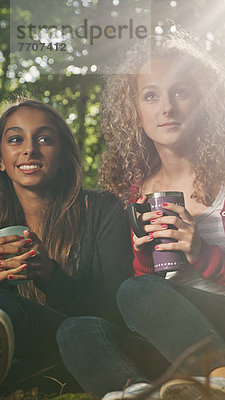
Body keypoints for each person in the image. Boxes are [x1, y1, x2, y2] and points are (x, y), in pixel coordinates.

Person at [57, 31, 225, 400]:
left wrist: (202, 254)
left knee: (136, 290)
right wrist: (142, 254)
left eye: (180, 92)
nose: (166, 107)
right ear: (134, 113)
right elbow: (146, 298)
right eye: (151, 96)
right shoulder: (136, 190)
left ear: (204, 102)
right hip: (176, 338)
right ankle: (133, 394)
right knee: (75, 329)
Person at [0, 98, 133, 393]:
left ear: (62, 154)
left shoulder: (102, 211)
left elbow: (115, 314)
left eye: (45, 139)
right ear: (0, 157)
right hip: (23, 351)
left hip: (91, 346)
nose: (29, 149)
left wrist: (50, 276)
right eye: (15, 139)